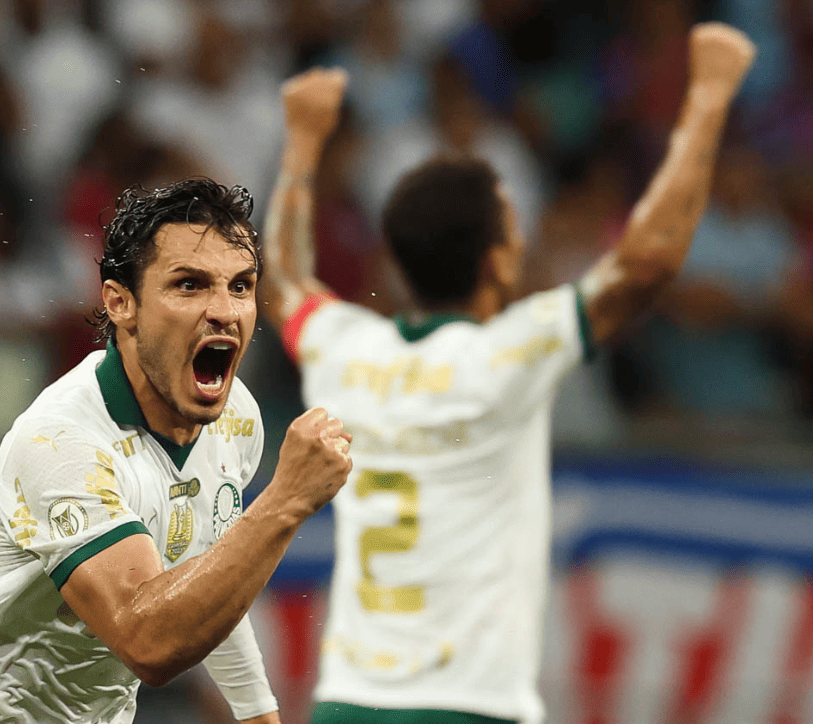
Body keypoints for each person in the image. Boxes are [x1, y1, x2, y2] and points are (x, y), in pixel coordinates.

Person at [259, 24, 755, 724]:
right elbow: (643, 265)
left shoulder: (346, 350)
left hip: (351, 703)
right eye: (513, 233)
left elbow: (280, 280)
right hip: (471, 704)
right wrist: (707, 99)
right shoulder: (510, 357)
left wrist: (302, 141)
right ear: (497, 261)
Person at [0, 178, 354, 723]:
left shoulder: (236, 419)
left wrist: (259, 716)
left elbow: (211, 579)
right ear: (119, 301)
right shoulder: (62, 442)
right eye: (189, 285)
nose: (225, 310)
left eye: (241, 286)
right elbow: (147, 640)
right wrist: (286, 501)